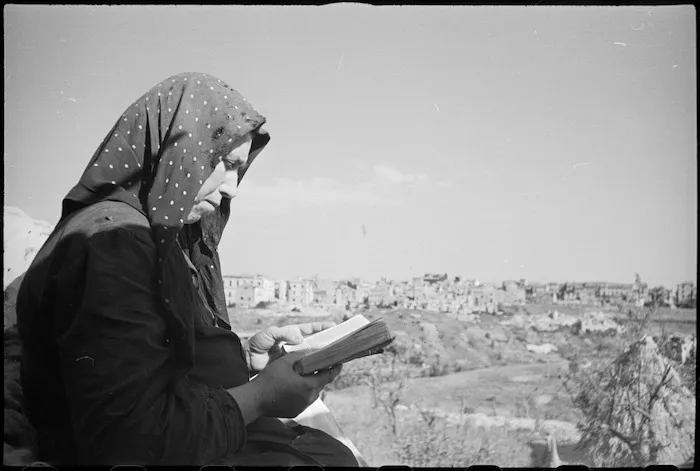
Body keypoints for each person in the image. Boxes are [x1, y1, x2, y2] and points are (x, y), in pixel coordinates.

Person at [15, 72, 360, 467]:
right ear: (180, 151)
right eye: (225, 164)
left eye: (240, 170)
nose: (233, 187)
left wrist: (247, 363)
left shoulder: (162, 239)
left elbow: (139, 362)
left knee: (328, 453)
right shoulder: (113, 243)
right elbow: (130, 439)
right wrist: (262, 395)